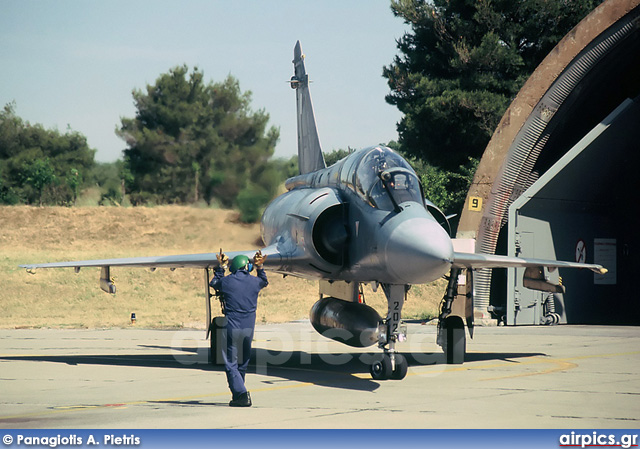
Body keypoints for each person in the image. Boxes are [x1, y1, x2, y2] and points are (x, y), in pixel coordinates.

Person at [210, 249, 268, 407]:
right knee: (243, 362)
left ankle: (241, 394)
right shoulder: (255, 282)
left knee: (231, 363)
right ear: (247, 267)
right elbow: (264, 281)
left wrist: (221, 267)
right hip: (249, 327)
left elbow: (214, 283)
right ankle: (238, 393)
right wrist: (260, 267)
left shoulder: (227, 282)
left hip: (232, 326)